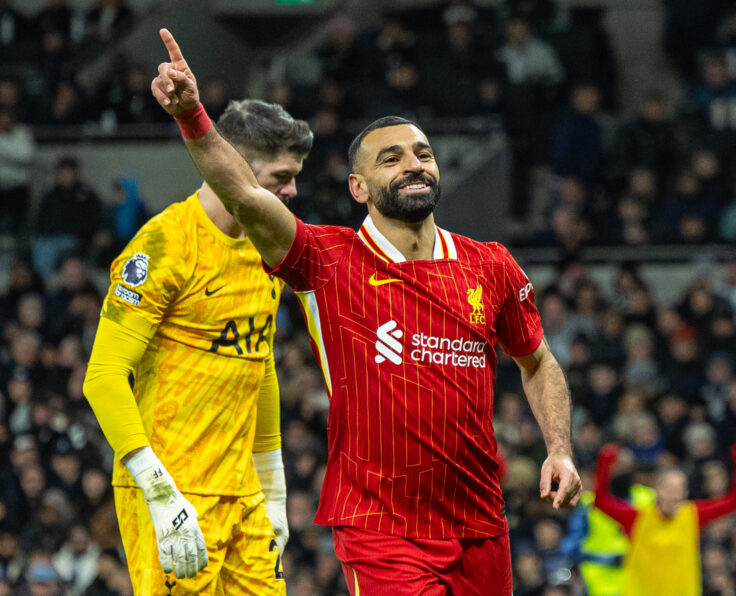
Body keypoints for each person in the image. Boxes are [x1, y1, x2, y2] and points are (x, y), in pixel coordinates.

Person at [151, 28, 581, 594]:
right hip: (380, 527)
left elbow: (539, 362)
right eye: (391, 159)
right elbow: (245, 196)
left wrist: (559, 450)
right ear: (358, 187)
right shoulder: (328, 259)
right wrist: (191, 115)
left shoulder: (490, 264)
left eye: (424, 154)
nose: (414, 165)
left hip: (480, 522)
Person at [82, 98, 313, 593]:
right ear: (232, 164)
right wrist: (157, 490)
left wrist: (274, 491)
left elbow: (259, 364)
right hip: (172, 489)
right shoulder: (165, 244)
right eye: (282, 176)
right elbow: (102, 377)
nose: (293, 190)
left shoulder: (267, 245)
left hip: (243, 492)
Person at [594, 444, 736, 596]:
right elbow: (601, 503)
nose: (674, 494)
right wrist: (605, 463)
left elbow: (731, 502)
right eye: (669, 488)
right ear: (657, 490)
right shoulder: (638, 517)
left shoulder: (693, 515)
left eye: (679, 489)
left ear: (685, 494)